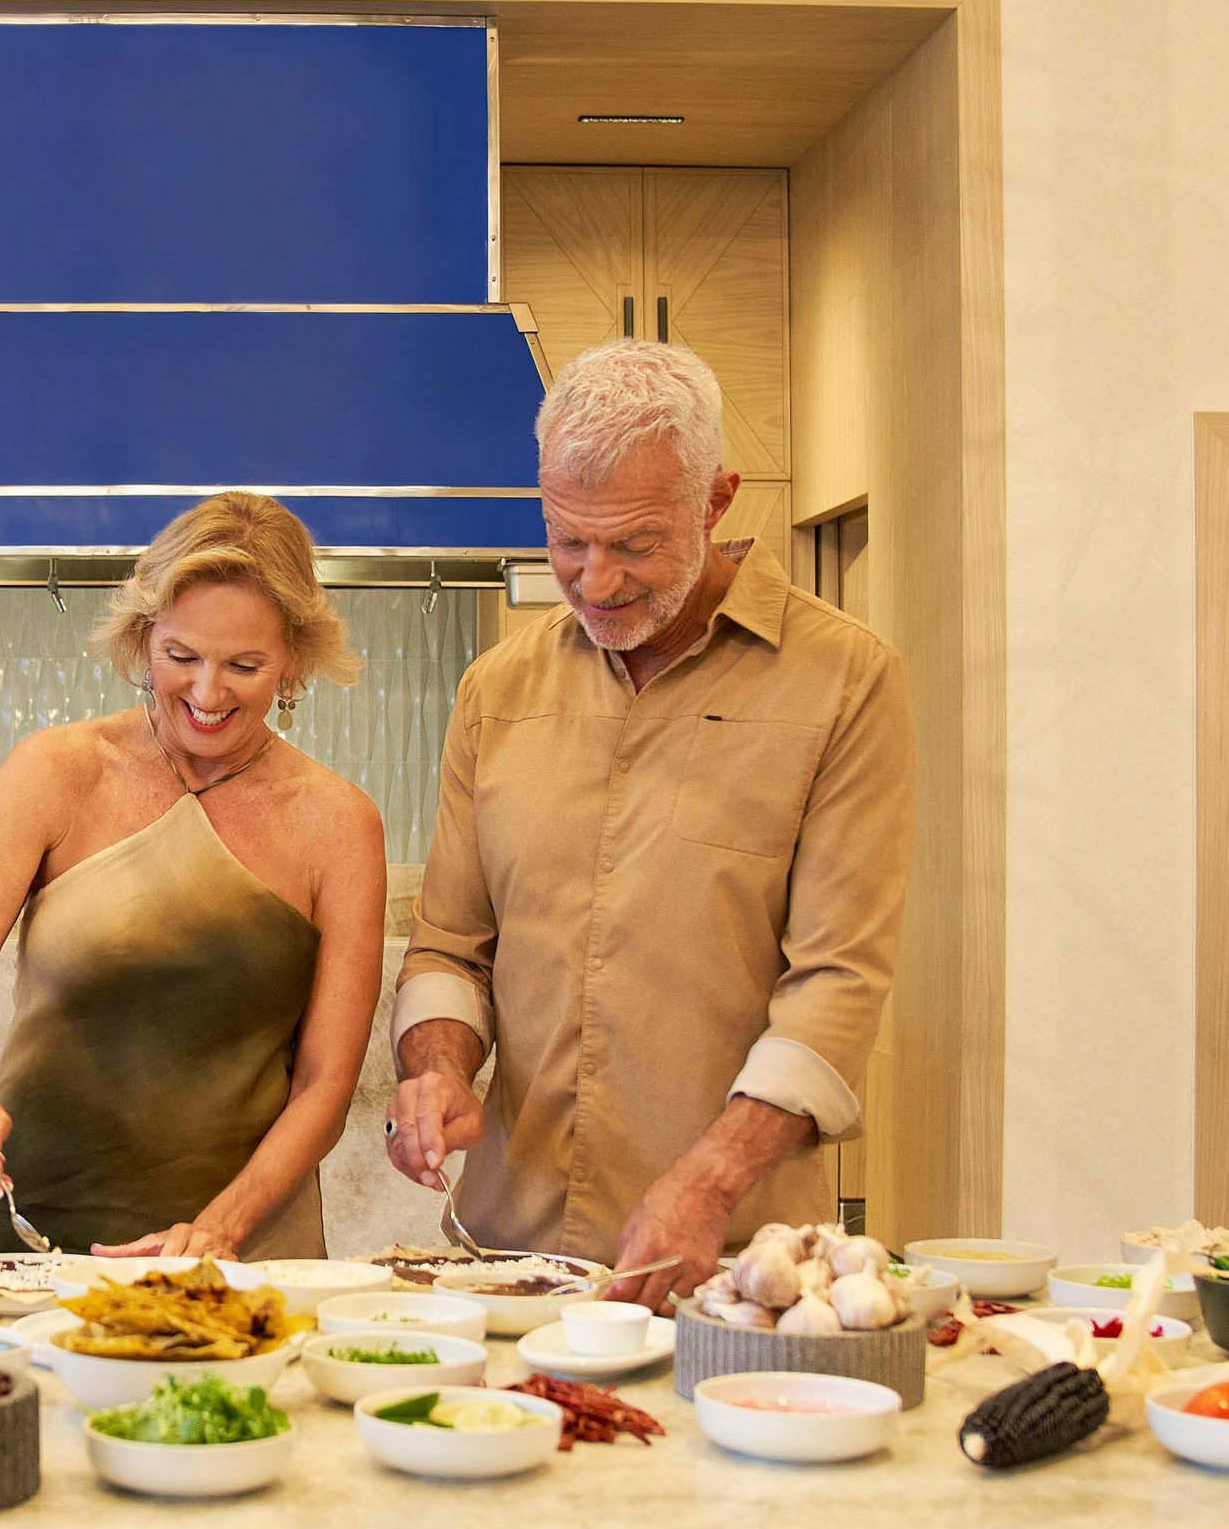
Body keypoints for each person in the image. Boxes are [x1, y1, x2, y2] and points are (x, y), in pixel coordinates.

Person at [383, 340, 913, 1310]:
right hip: (507, 1258)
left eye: (633, 543)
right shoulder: (497, 690)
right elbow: (449, 949)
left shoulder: (844, 683)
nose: (594, 581)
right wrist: (437, 1070)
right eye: (566, 541)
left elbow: (835, 985)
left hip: (734, 1264)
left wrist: (707, 1183)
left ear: (715, 502)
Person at [0, 492, 386, 1260]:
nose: (206, 693)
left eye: (245, 665)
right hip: (37, 1226)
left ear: (294, 656)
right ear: (142, 635)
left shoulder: (339, 824)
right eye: (181, 656)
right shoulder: (55, 772)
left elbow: (327, 1084)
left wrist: (219, 1230)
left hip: (245, 1244)